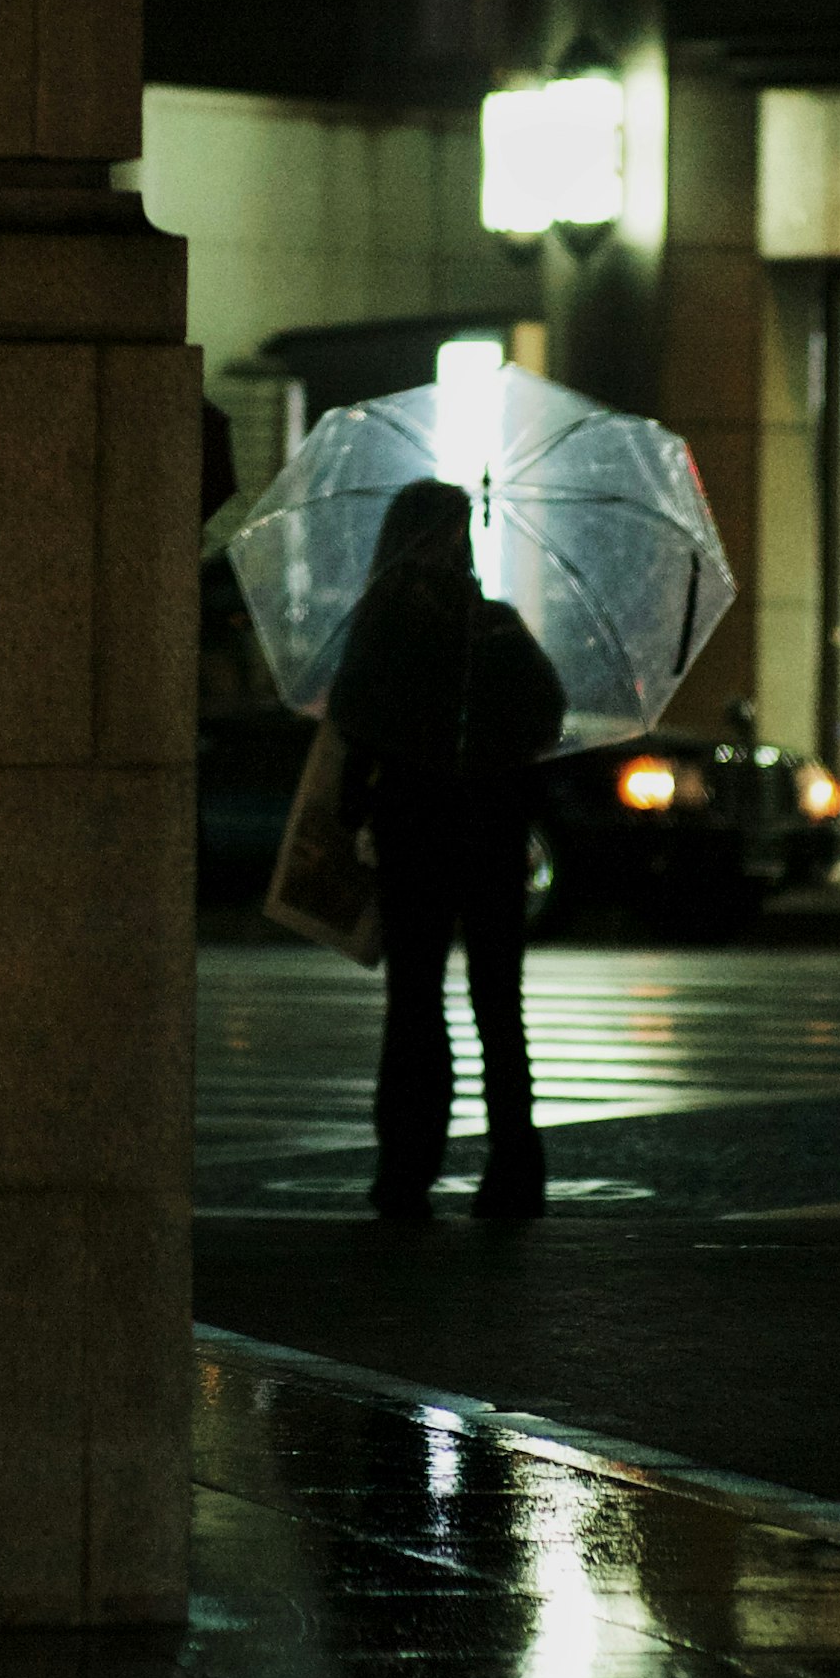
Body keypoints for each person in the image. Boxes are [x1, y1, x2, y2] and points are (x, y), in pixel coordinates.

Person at [329, 481, 567, 1222]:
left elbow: (352, 716)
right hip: (489, 829)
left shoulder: (388, 623)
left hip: (417, 830)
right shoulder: (491, 625)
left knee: (419, 1000)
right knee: (496, 1000)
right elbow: (545, 714)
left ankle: (408, 1165)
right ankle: (513, 1167)